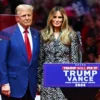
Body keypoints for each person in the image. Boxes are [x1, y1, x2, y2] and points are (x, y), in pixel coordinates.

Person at [38, 6, 81, 100]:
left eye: (60, 17)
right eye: (54, 17)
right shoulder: (43, 34)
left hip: (64, 77)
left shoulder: (71, 35)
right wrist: (38, 81)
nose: (57, 20)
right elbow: (40, 58)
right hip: (47, 77)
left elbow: (75, 60)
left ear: (63, 19)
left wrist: (75, 82)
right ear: (50, 18)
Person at [0, 4, 40, 100]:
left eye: (29, 15)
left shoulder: (36, 34)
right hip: (12, 87)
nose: (27, 18)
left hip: (31, 87)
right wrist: (4, 83)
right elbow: (1, 60)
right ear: (17, 18)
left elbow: (37, 59)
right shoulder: (6, 33)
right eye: (24, 15)